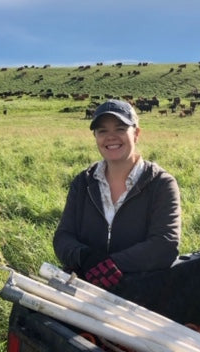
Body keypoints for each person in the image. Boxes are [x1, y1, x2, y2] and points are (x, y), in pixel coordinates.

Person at [53, 99, 180, 293]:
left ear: (136, 134)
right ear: (95, 136)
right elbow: (63, 237)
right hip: (85, 289)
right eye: (102, 131)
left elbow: (165, 244)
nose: (110, 137)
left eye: (120, 129)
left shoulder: (161, 184)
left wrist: (109, 264)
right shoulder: (83, 183)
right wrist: (84, 257)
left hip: (142, 295)